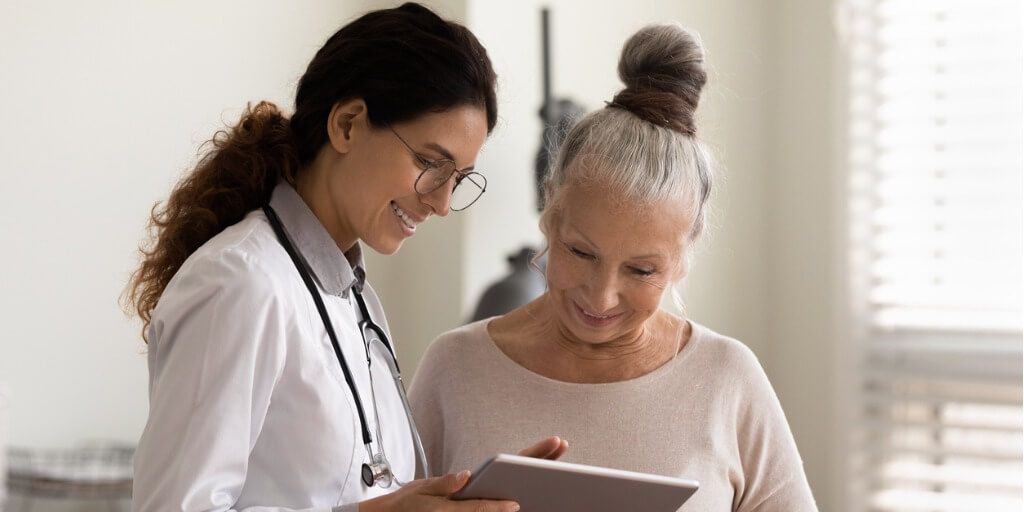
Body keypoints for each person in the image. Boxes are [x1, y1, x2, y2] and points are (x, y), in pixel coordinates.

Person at [124, 4, 564, 511]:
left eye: (459, 179)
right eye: (429, 163)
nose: (442, 203)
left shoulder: (356, 300)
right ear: (348, 124)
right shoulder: (241, 283)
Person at [408, 23, 818, 511]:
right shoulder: (455, 369)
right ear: (550, 211)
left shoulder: (727, 379)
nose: (600, 297)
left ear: (685, 255)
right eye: (581, 253)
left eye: (642, 271)